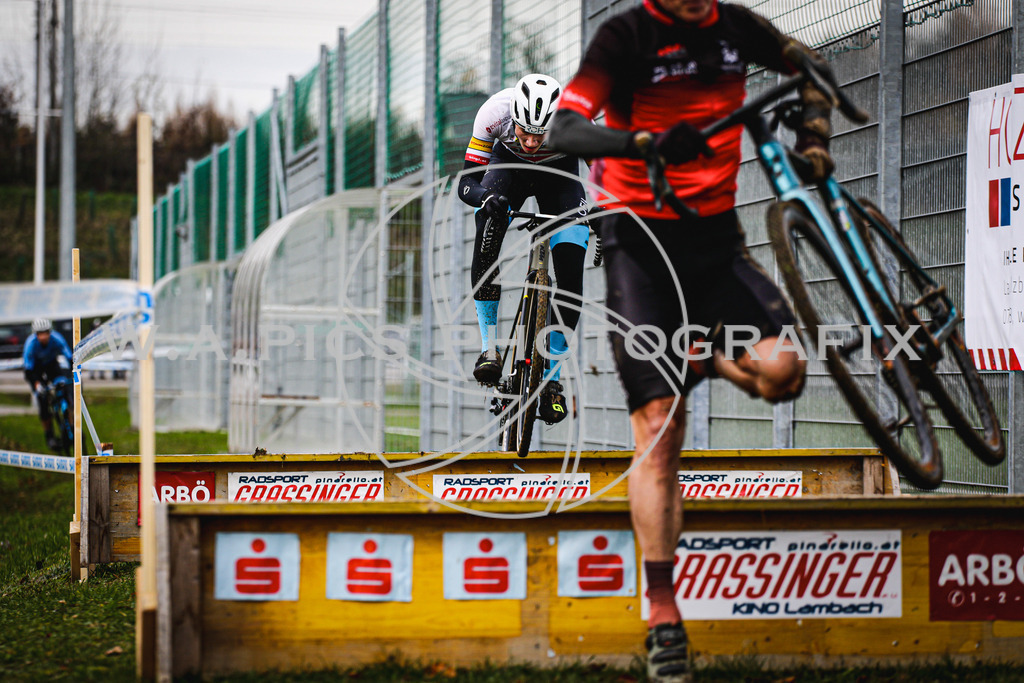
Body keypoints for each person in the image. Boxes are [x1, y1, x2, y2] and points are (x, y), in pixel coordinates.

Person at [548, 1, 833, 680]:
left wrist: (814, 136)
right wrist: (642, 143)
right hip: (637, 244)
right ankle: (662, 614)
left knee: (784, 372)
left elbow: (811, 66)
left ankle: (699, 356)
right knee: (659, 427)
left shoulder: (735, 26)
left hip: (714, 244)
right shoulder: (625, 35)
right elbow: (565, 128)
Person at [457, 73, 593, 424]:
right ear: (513, 118)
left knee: (571, 274)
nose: (531, 142)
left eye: (540, 135)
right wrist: (485, 198)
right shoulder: (494, 113)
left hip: (561, 178)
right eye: (524, 132)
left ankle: (551, 379)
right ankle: (489, 349)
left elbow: (610, 177)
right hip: (509, 172)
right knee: (488, 229)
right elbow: (467, 182)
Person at [23, 318, 74, 450]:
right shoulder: (30, 344)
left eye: (46, 333)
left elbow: (69, 357)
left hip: (52, 365)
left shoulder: (57, 338)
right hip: (36, 370)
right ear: (36, 334)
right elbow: (28, 370)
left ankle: (71, 425)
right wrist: (36, 384)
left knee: (65, 390)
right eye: (40, 334)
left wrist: (73, 374)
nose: (44, 336)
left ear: (50, 332)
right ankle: (49, 436)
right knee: (43, 400)